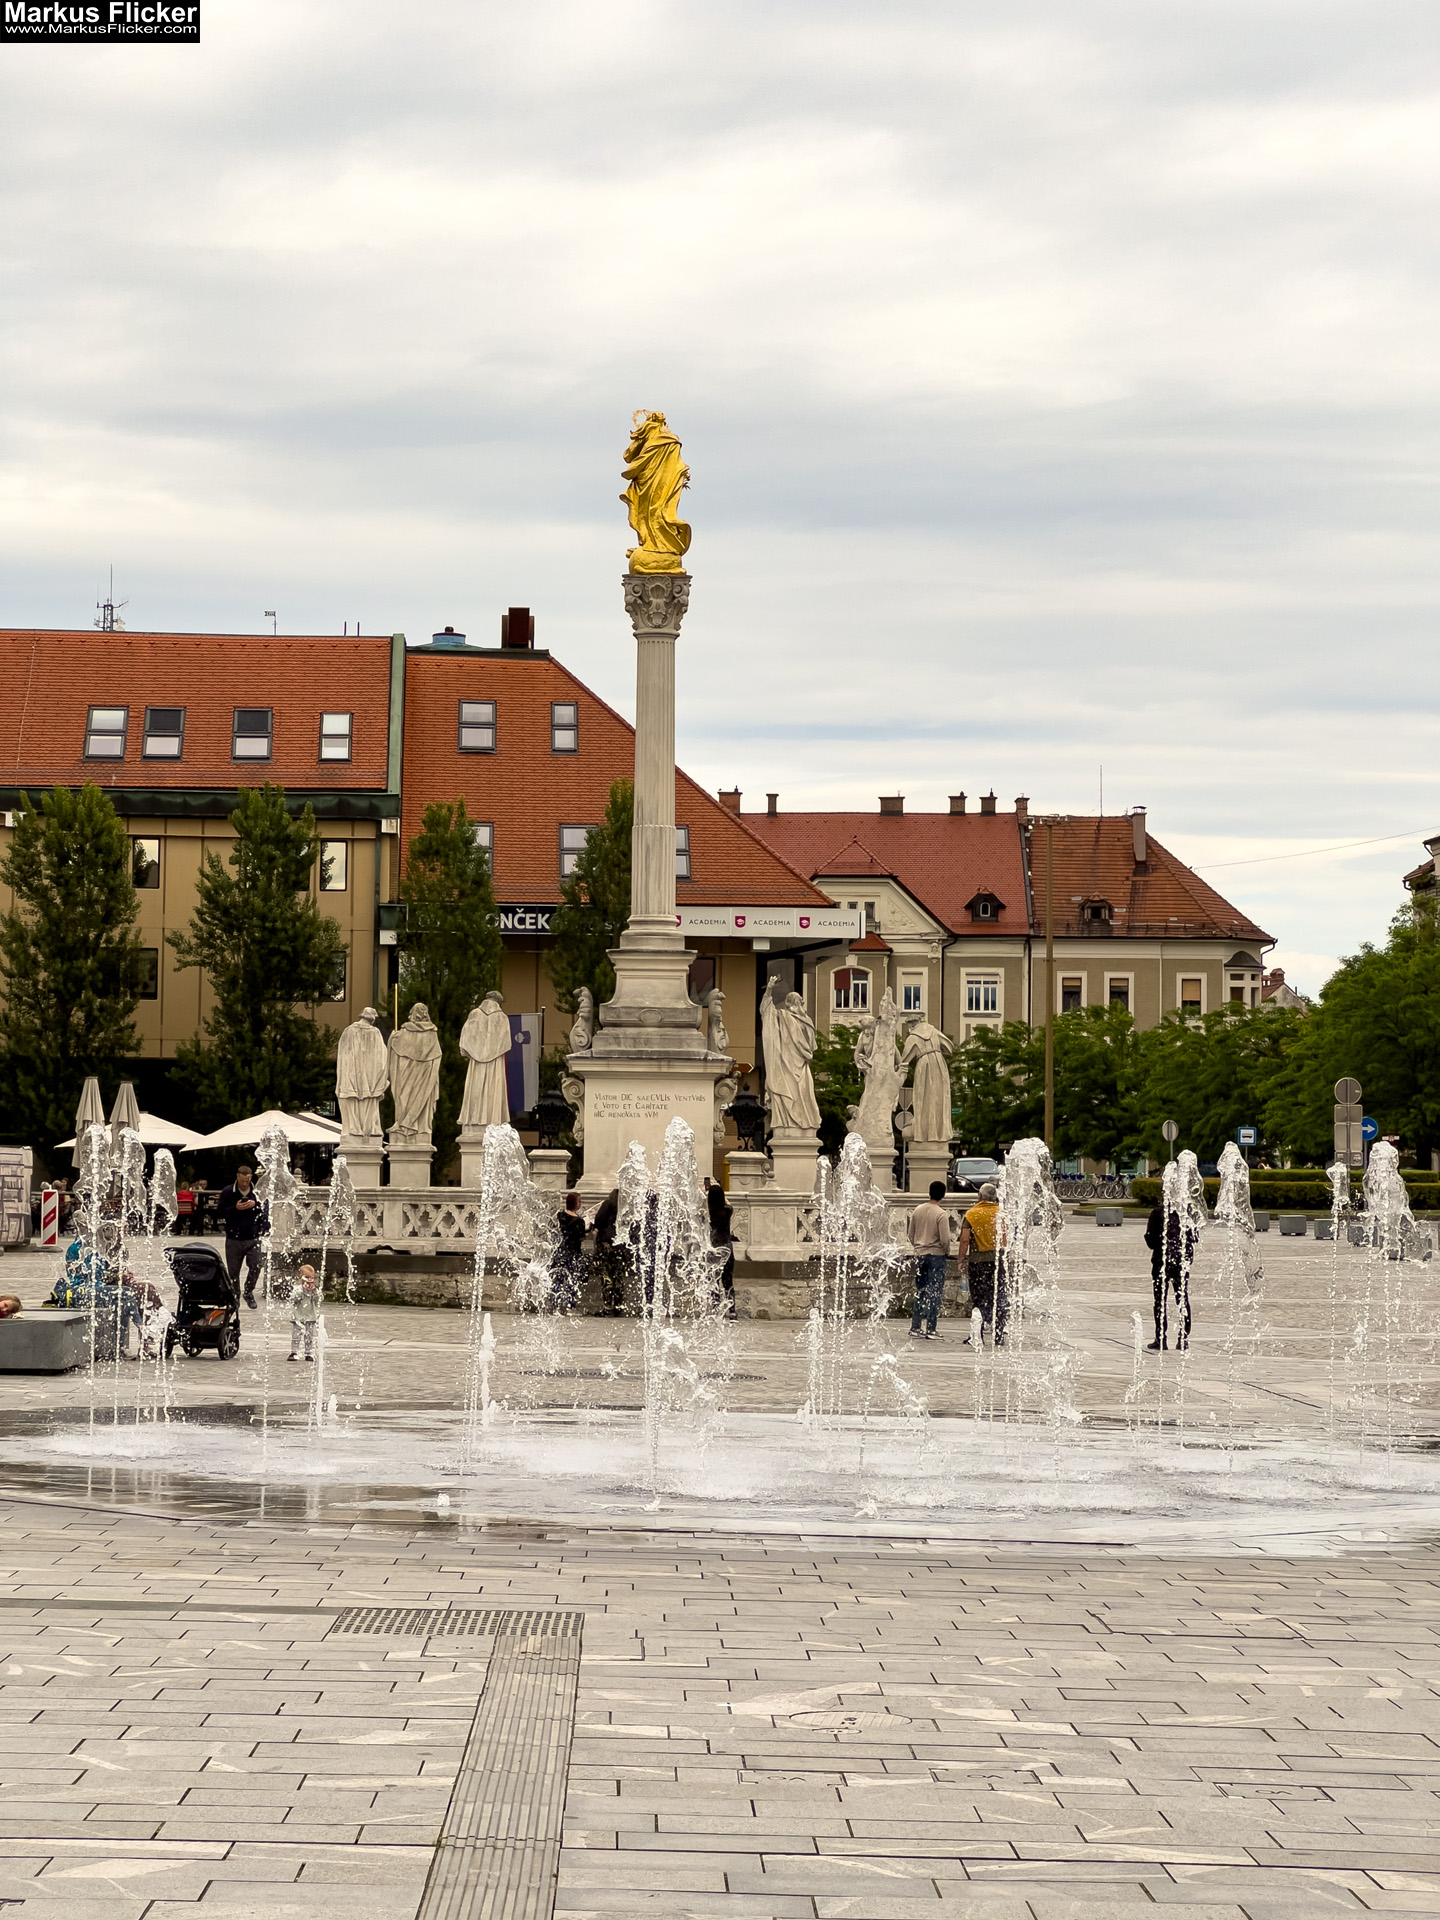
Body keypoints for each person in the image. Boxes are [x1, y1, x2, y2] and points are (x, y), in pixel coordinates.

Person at [956, 1181, 1006, 1344]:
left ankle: (977, 1335)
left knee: (978, 1297)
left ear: (980, 1196)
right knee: (998, 1296)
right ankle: (998, 1335)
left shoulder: (972, 1214)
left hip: (978, 1263)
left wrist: (961, 1259)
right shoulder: (1002, 1213)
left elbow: (964, 1240)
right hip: (998, 1262)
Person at [1144, 1204, 1194, 1350]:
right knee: (1182, 1299)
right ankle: (1183, 1338)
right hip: (1180, 1263)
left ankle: (1161, 1338)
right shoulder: (1186, 1212)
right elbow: (1193, 1237)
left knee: (1160, 1300)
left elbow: (1151, 1240)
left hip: (1161, 1262)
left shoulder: (1158, 1212)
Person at [217, 1164, 268, 1308]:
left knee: (257, 1265)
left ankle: (248, 1291)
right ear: (237, 1177)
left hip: (253, 1236)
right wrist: (235, 1208)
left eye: (247, 1181)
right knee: (233, 1270)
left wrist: (255, 1205)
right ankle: (235, 1295)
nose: (244, 1184)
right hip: (234, 1237)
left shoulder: (258, 1192)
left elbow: (265, 1211)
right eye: (242, 1181)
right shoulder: (228, 1192)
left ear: (251, 1178)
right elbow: (220, 1212)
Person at [907, 1180, 952, 1339]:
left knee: (920, 1291)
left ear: (929, 1192)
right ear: (943, 1195)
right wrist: (946, 1251)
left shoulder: (917, 1210)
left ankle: (915, 1327)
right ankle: (931, 1329)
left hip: (920, 1254)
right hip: (936, 1255)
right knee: (934, 1293)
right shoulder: (941, 1214)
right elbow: (945, 1239)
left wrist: (918, 1246)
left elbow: (910, 1235)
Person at [704, 1177, 736, 1318]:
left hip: (713, 1248)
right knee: (727, 1280)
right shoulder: (727, 1211)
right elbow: (727, 1203)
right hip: (726, 1248)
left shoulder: (707, 1213)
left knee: (714, 1280)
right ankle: (732, 1309)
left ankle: (716, 1308)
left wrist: (706, 1194)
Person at [592, 1188, 625, 1315]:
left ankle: (608, 1306)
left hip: (606, 1240)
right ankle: (618, 1305)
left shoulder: (608, 1203)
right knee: (618, 1275)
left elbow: (599, 1220)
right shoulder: (624, 1207)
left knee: (606, 1273)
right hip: (619, 1243)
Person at [554, 1192, 588, 1310]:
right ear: (575, 1203)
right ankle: (570, 1305)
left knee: (557, 1278)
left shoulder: (559, 1216)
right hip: (573, 1252)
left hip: (560, 1251)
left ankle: (556, 1304)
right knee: (572, 1279)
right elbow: (581, 1237)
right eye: (579, 1201)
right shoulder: (579, 1221)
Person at [288, 1265, 320, 1361]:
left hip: (310, 1317)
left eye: (311, 1278)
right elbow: (294, 1299)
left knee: (309, 1336)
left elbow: (318, 1300)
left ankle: (308, 1353)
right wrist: (302, 1291)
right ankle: (294, 1352)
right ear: (300, 1277)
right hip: (298, 1317)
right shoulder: (297, 1289)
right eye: (306, 1277)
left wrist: (314, 1291)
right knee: (296, 1336)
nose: (309, 1280)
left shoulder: (314, 1290)